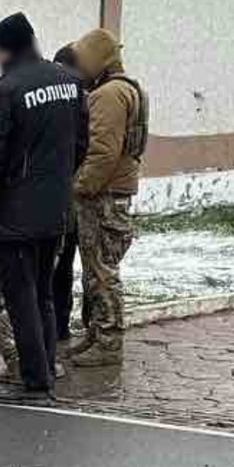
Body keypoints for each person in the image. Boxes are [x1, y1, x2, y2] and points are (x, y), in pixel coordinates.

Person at [0, 13, 86, 405]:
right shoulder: (71, 83)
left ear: (7, 49)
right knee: (45, 294)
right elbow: (81, 144)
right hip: (56, 207)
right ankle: (47, 368)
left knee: (21, 296)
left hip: (14, 211)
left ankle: (35, 382)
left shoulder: (4, 91)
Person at [68, 28, 146, 369]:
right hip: (116, 191)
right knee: (98, 269)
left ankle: (109, 341)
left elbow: (103, 151)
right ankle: (97, 333)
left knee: (102, 271)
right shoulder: (130, 88)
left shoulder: (108, 95)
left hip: (103, 195)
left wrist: (80, 186)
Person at [49, 43, 85, 344]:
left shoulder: (54, 96)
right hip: (68, 192)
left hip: (57, 194)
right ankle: (60, 325)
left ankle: (57, 325)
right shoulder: (81, 95)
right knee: (65, 263)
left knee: (54, 266)